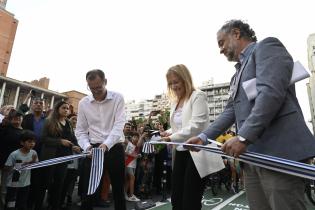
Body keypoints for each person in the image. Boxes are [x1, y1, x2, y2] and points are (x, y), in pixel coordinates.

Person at [187, 19, 315, 210]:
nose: (220, 50)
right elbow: (230, 111)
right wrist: (204, 137)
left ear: (236, 33)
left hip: (278, 152)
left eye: (221, 43)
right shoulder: (236, 75)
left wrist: (243, 136)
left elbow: (270, 93)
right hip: (251, 157)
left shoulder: (267, 47)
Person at [160, 64, 224, 210]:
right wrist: (168, 132)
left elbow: (197, 124)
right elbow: (181, 125)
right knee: (176, 198)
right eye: (171, 83)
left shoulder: (198, 96)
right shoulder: (175, 101)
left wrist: (172, 137)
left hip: (197, 151)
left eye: (176, 81)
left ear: (185, 79)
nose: (174, 86)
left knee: (191, 200)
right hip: (181, 152)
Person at [75, 69, 126, 210]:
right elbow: (80, 130)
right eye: (92, 88)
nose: (96, 92)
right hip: (93, 148)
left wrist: (106, 145)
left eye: (99, 87)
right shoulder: (83, 103)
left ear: (105, 82)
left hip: (114, 147)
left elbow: (119, 125)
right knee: (88, 189)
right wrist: (87, 147)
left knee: (117, 188)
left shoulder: (118, 98)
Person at [35, 101, 80, 210]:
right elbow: (43, 139)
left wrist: (76, 146)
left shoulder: (68, 123)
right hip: (50, 157)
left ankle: (54, 205)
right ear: (57, 109)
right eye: (64, 108)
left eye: (67, 108)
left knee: (59, 183)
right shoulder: (48, 121)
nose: (66, 110)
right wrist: (60, 141)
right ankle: (38, 206)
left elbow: (72, 138)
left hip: (64, 157)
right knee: (45, 183)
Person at [4, 130, 38, 210]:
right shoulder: (14, 154)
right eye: (29, 141)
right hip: (13, 185)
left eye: (34, 142)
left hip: (25, 184)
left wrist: (32, 162)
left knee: (22, 204)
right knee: (10, 205)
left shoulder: (34, 153)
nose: (32, 144)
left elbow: (36, 164)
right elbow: (6, 168)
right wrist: (20, 166)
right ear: (22, 143)